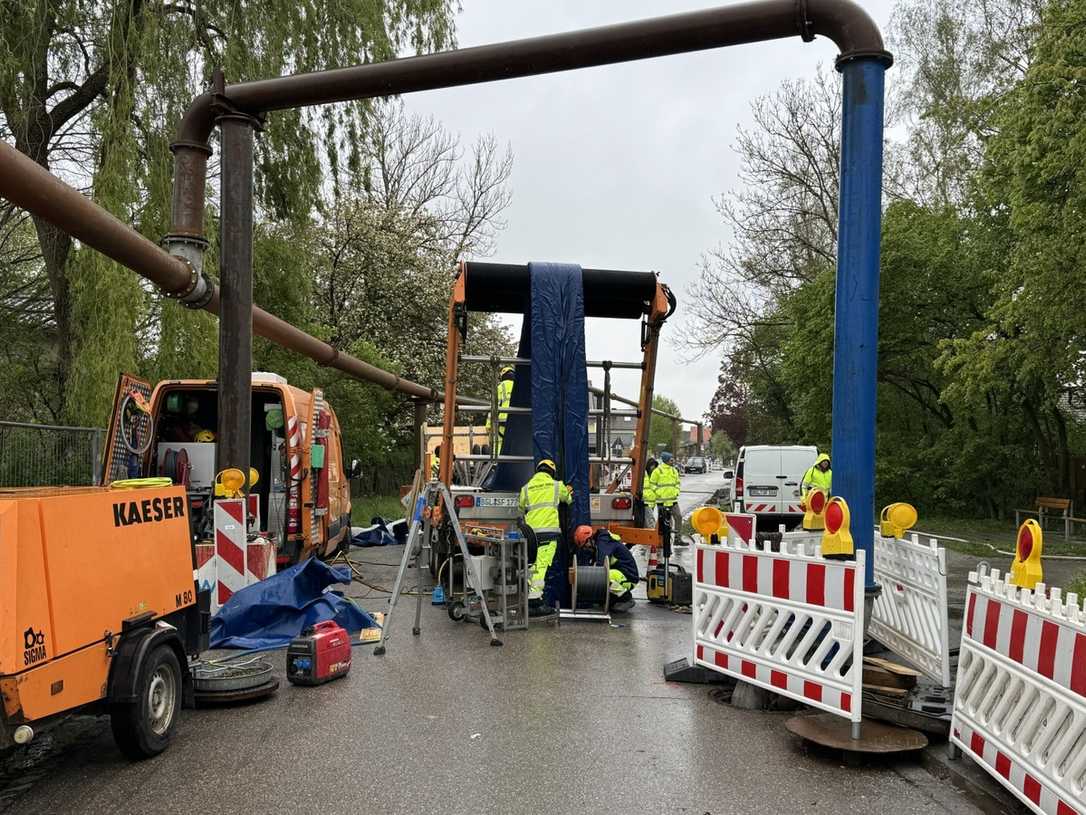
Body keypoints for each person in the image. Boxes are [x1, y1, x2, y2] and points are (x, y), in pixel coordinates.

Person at [518, 459, 572, 616]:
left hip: (531, 534)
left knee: (531, 565)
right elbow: (568, 500)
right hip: (549, 533)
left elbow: (521, 508)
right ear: (551, 472)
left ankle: (531, 596)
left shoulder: (526, 488)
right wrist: (568, 491)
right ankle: (534, 601)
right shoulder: (556, 485)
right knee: (541, 566)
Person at [573, 525, 639, 613]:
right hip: (621, 574)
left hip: (629, 577)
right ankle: (615, 600)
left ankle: (626, 598)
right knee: (601, 576)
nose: (586, 548)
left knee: (604, 576)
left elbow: (601, 564)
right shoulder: (598, 544)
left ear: (589, 539)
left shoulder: (604, 542)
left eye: (585, 544)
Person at [649, 451, 682, 557]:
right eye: (671, 459)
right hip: (662, 502)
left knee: (679, 517)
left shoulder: (674, 470)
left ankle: (678, 538)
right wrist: (659, 494)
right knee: (666, 524)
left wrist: (677, 491)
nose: (673, 461)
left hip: (673, 500)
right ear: (666, 460)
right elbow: (652, 484)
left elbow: (677, 483)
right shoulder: (657, 471)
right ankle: (663, 543)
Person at [486, 365, 515, 454]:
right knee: (514, 446)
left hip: (501, 423)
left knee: (498, 447)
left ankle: (498, 466)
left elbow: (494, 407)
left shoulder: (499, 387)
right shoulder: (519, 387)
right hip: (516, 422)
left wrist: (488, 425)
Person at [641, 457, 659, 526]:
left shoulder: (655, 475)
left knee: (647, 521)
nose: (653, 468)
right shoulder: (643, 475)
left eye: (654, 466)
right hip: (644, 502)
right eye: (652, 466)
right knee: (650, 521)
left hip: (652, 502)